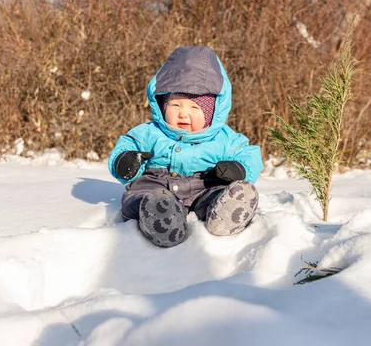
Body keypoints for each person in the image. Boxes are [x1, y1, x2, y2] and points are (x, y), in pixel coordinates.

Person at [108, 46, 263, 247]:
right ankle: (159, 217)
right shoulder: (149, 132)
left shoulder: (223, 137)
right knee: (141, 198)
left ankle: (224, 214)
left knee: (216, 195)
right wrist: (125, 161)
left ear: (211, 113)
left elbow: (249, 154)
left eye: (194, 107)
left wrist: (238, 169)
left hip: (204, 185)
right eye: (175, 105)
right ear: (162, 105)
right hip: (156, 184)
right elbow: (126, 145)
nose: (183, 113)